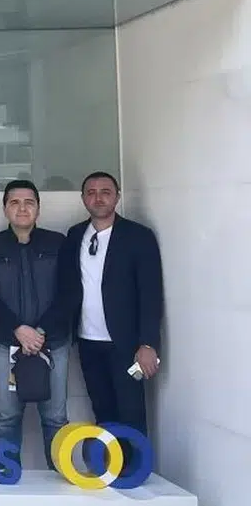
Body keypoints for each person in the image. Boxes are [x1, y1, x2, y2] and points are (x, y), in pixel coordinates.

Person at [64, 171, 162, 471]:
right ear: (83, 199)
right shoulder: (75, 235)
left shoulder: (138, 236)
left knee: (131, 413)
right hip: (88, 341)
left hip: (126, 344)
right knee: (103, 412)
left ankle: (137, 476)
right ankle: (114, 473)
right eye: (91, 192)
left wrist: (148, 343)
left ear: (117, 197)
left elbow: (151, 293)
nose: (98, 198)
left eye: (105, 192)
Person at [0, 179, 75, 470]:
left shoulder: (58, 243)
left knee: (55, 417)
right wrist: (18, 329)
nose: (22, 208)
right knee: (7, 417)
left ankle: (60, 477)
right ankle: (8, 476)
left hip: (52, 343)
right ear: (5, 209)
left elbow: (70, 292)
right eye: (14, 202)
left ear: (38, 209)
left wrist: (40, 332)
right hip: (6, 343)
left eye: (29, 202)